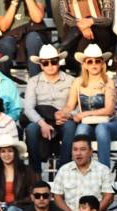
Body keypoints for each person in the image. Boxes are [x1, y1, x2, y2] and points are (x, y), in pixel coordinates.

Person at [63, 44, 117, 168]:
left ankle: (103, 171)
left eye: (97, 61)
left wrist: (85, 114)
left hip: (110, 125)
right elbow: (70, 105)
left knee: (101, 129)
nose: (94, 64)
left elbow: (109, 110)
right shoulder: (78, 82)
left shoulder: (108, 82)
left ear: (102, 64)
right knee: (81, 129)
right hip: (88, 125)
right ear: (84, 64)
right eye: (90, 61)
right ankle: (80, 169)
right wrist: (63, 113)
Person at [24, 44, 76, 174]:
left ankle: (63, 170)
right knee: (31, 129)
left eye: (53, 62)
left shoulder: (71, 80)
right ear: (41, 65)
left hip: (62, 120)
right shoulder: (33, 81)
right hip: (42, 120)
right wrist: (42, 123)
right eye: (45, 63)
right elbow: (28, 108)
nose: (50, 66)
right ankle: (35, 173)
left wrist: (67, 115)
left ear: (59, 62)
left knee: (70, 126)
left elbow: (79, 107)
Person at [52, 135, 115, 211]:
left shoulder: (103, 170)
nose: (78, 153)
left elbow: (108, 197)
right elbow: (57, 196)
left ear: (91, 151)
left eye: (83, 149)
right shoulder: (63, 170)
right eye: (75, 149)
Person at [0, 0, 48, 79]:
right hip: (12, 35)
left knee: (32, 39)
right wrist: (13, 4)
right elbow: (3, 27)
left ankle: (34, 80)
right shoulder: (1, 1)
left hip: (33, 32)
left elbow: (38, 18)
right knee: (5, 43)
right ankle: (3, 80)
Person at [58, 0, 116, 74]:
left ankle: (63, 47)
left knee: (86, 36)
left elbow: (108, 18)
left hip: (100, 32)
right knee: (83, 39)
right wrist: (82, 26)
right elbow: (65, 15)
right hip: (76, 31)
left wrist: (91, 21)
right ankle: (84, 73)